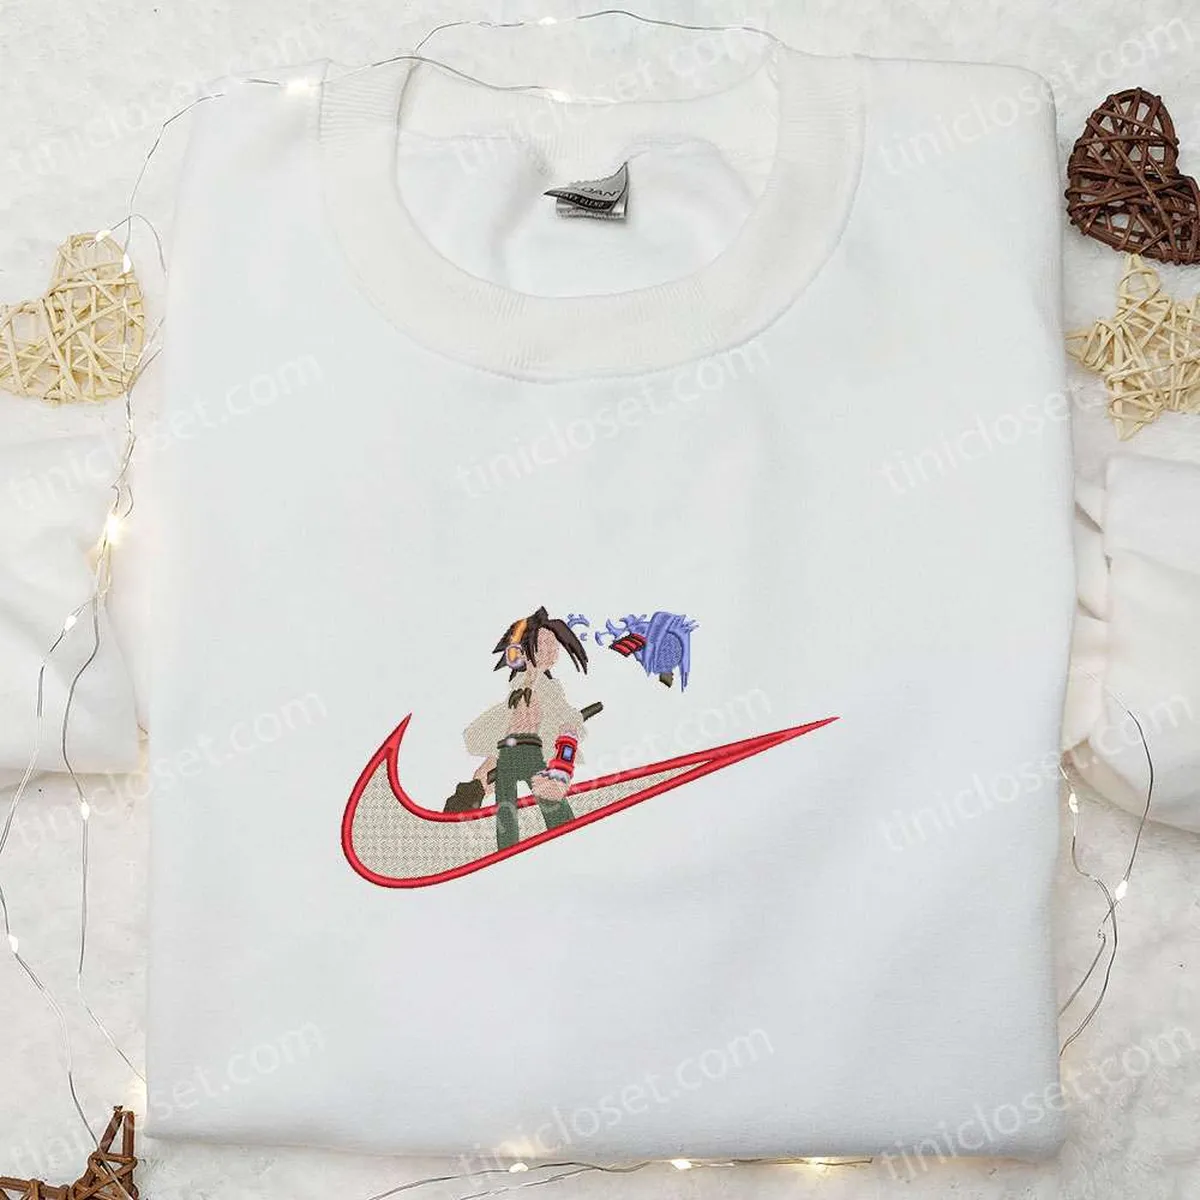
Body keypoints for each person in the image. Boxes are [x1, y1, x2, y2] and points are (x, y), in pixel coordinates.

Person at [460, 607, 590, 850]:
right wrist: (479, 780)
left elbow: (568, 723)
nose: (551, 651)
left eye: (554, 646)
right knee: (504, 809)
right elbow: (503, 728)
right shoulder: (517, 686)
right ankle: (504, 845)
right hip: (507, 751)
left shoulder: (549, 689)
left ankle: (566, 832)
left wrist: (562, 766)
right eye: (544, 644)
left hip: (532, 752)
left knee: (550, 800)